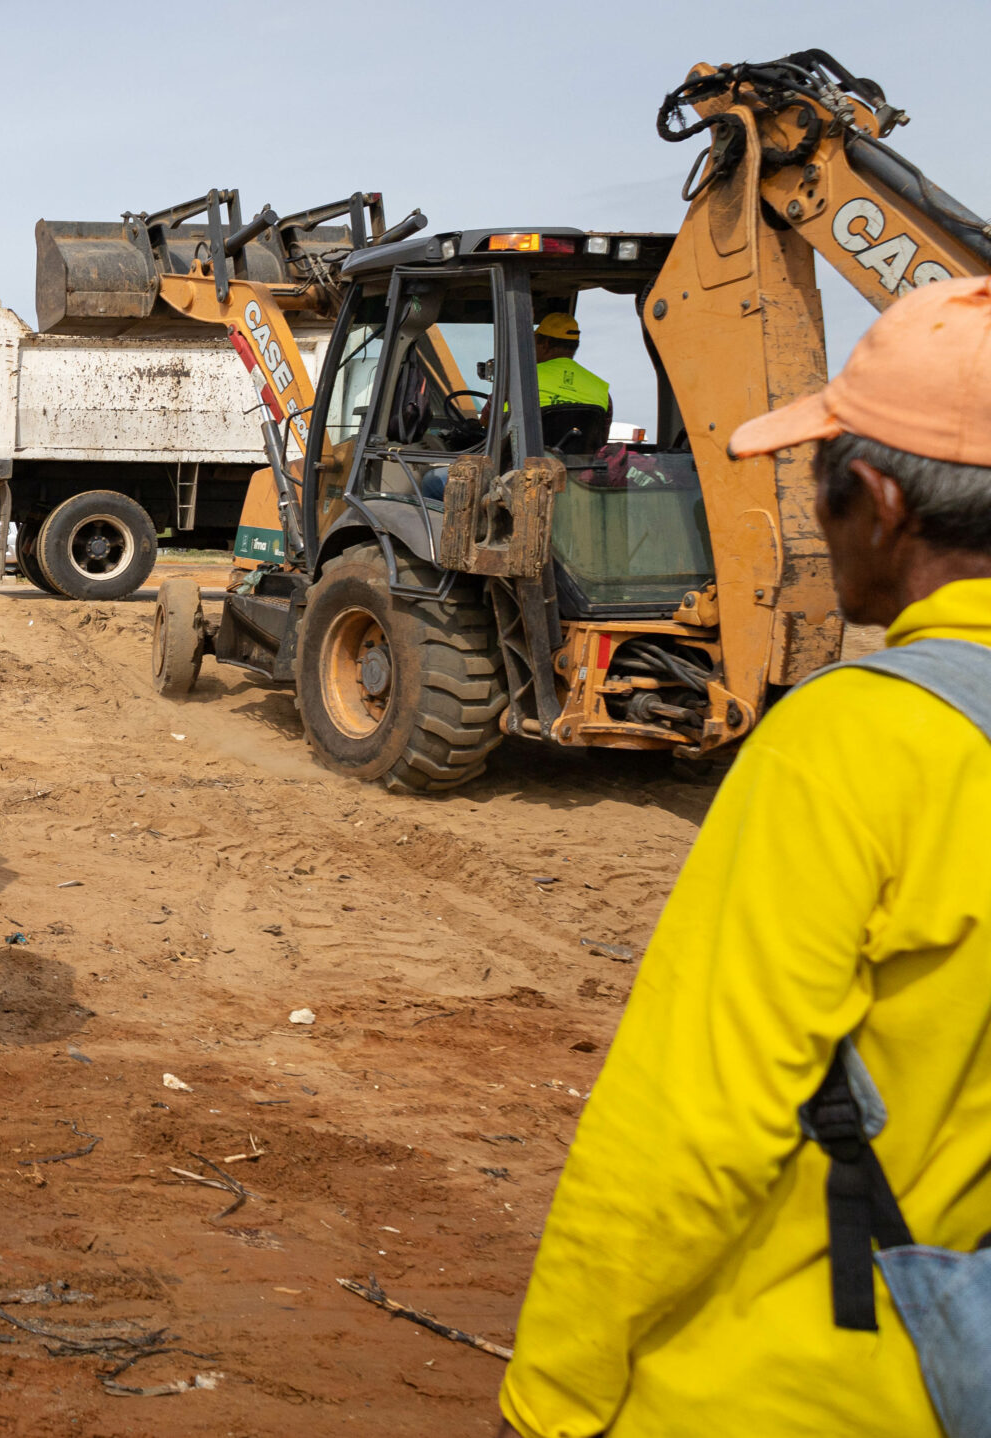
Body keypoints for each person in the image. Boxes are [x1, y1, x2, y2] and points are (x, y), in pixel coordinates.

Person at [497, 277, 991, 1437]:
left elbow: (690, 1121)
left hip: (801, 1384)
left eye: (816, 477)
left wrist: (552, 1391)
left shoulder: (859, 740)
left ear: (875, 499)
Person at [533, 313, 610, 414]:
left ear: (545, 343)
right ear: (575, 346)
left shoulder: (520, 379)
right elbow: (603, 429)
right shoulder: (602, 390)